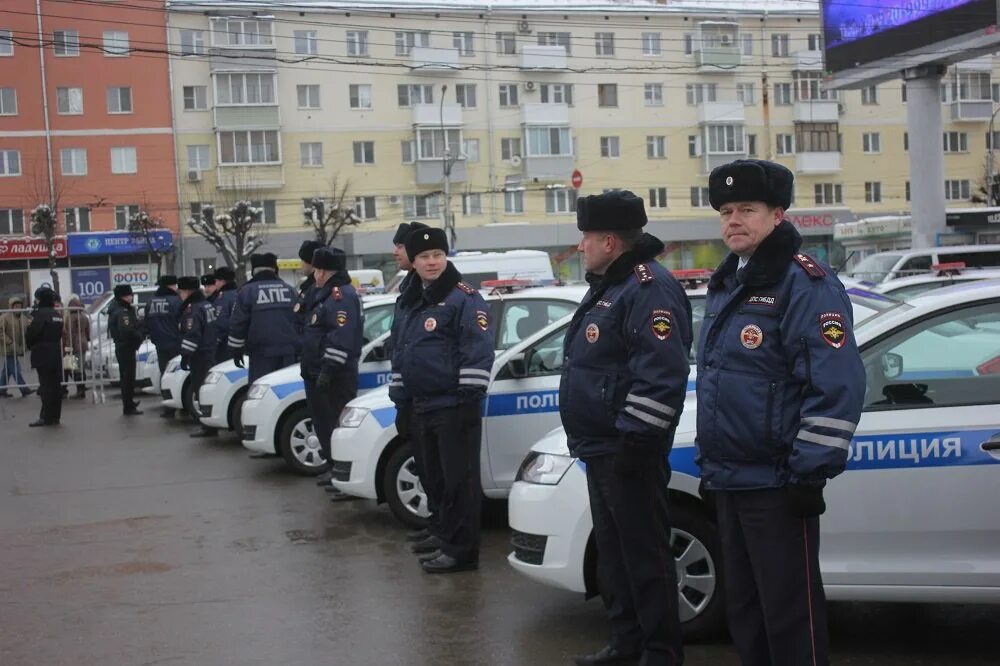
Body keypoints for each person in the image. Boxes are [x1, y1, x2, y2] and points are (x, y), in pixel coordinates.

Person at [696, 159, 865, 666]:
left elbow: (834, 383)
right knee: (747, 617)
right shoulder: (730, 281)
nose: (733, 220)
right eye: (725, 211)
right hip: (730, 479)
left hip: (777, 483)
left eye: (747, 209)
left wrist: (809, 472)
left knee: (791, 620)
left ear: (777, 213)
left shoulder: (805, 283)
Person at [558, 191, 691, 666]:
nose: (581, 248)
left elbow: (661, 373)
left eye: (586, 239)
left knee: (645, 558)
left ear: (610, 241)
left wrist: (637, 440)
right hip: (602, 448)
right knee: (615, 557)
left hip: (627, 449)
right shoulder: (611, 284)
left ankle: (660, 652)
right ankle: (627, 642)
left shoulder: (647, 286)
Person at [396, 228, 494, 574]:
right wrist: (401, 399)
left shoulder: (463, 297)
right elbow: (403, 351)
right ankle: (444, 536)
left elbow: (478, 351)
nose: (432, 262)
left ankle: (462, 551)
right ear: (414, 261)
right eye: (424, 256)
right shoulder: (413, 298)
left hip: (453, 406)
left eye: (437, 254)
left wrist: (467, 401)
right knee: (434, 479)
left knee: (459, 483)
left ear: (446, 256)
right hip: (423, 405)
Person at [300, 247, 363, 492]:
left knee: (336, 426)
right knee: (325, 424)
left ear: (323, 271)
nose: (314, 274)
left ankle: (343, 475)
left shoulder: (340, 296)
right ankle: (334, 468)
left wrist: (329, 368)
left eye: (316, 270)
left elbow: (341, 336)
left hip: (335, 375)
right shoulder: (324, 294)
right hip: (318, 372)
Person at [386, 222, 431, 528]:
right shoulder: (410, 289)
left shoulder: (428, 292)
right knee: (428, 470)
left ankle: (450, 539)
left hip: (434, 400)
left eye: (400, 246)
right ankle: (438, 531)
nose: (395, 252)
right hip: (414, 397)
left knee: (445, 475)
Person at [228, 252, 299, 384]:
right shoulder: (290, 290)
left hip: (261, 355)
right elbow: (300, 321)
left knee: (261, 392)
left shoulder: (247, 292)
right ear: (275, 270)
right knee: (285, 391)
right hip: (289, 353)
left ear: (254, 271)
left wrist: (236, 350)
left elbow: (238, 323)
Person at [177, 276, 218, 431]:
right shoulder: (207, 305)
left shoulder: (193, 309)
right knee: (207, 389)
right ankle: (210, 423)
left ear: (187, 291)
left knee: (200, 389)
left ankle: (207, 426)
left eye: (181, 292)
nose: (180, 295)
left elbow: (192, 335)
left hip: (199, 355)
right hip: (210, 351)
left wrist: (185, 355)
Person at [144, 275, 183, 418]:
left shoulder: (151, 302)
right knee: (177, 374)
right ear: (171, 286)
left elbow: (147, 323)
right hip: (175, 343)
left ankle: (168, 406)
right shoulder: (176, 301)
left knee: (164, 373)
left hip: (159, 344)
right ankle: (178, 403)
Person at [24, 287, 64, 427]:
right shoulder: (57, 314)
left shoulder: (36, 315)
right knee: (55, 386)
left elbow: (30, 335)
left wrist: (31, 345)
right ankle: (55, 416)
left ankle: (46, 417)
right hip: (55, 352)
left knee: (46, 387)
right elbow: (60, 333)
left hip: (41, 352)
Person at [108, 285, 144, 416]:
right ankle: (128, 406)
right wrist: (139, 335)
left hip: (124, 347)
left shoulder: (120, 309)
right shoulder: (122, 311)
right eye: (130, 295)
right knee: (128, 377)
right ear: (124, 296)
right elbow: (127, 330)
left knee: (127, 377)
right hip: (126, 347)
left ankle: (129, 403)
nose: (132, 297)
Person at [0, 295, 33, 398]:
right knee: (15, 368)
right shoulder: (4, 317)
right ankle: (24, 389)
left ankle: (1, 389)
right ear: (11, 307)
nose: (18, 308)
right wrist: (9, 342)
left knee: (7, 370)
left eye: (19, 305)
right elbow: (1, 332)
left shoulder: (24, 318)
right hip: (8, 348)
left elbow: (28, 330)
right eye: (16, 306)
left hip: (18, 347)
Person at [61, 295, 91, 399]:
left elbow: (69, 333)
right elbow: (88, 332)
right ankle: (82, 388)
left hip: (74, 344)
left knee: (73, 367)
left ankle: (80, 390)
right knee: (80, 366)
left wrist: (68, 347)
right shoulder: (84, 316)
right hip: (83, 343)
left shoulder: (71, 317)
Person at [294, 240, 323, 334]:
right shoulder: (309, 286)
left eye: (303, 260)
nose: (301, 264)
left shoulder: (316, 287)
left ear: (311, 262)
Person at [211, 266, 238, 362]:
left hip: (224, 346)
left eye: (216, 280)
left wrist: (214, 340)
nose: (215, 283)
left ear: (222, 281)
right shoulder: (237, 293)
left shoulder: (224, 298)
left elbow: (221, 322)